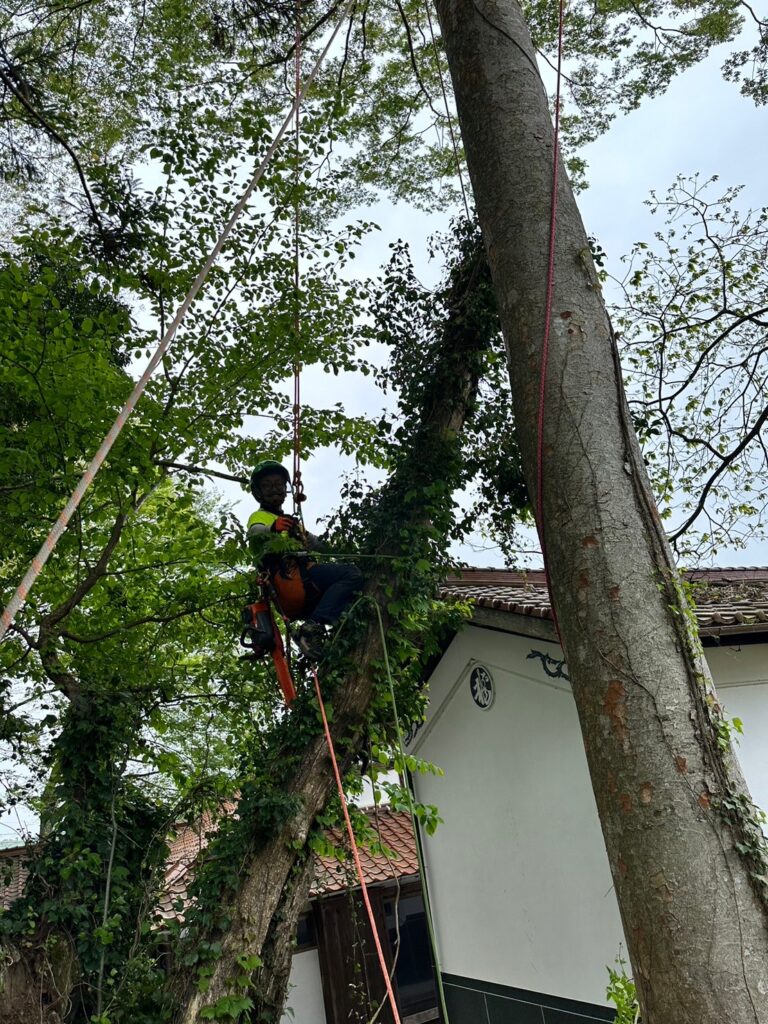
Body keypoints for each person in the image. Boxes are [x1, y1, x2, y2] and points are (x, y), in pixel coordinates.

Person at [246, 460, 363, 659]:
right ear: (258, 492)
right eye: (267, 485)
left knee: (355, 601)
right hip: (291, 581)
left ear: (286, 489)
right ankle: (311, 628)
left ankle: (315, 636)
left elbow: (318, 544)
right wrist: (273, 528)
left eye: (279, 484)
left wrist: (354, 552)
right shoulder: (261, 517)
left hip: (303, 593)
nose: (274, 489)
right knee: (351, 575)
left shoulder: (291, 524)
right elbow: (255, 533)